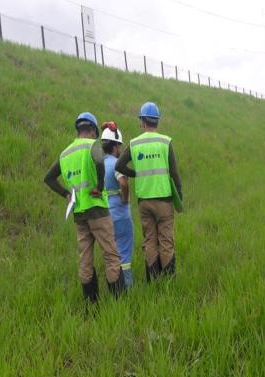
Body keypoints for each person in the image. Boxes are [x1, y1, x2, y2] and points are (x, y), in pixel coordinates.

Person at [44, 112, 125, 303]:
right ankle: (119, 302)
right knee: (111, 255)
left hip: (79, 214)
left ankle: (91, 304)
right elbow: (99, 163)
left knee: (85, 259)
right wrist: (99, 187)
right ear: (93, 131)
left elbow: (48, 178)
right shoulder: (93, 145)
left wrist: (66, 194)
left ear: (78, 129)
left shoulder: (65, 153)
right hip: (98, 211)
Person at [116, 102, 182, 282]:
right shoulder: (165, 141)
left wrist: (135, 174)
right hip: (164, 201)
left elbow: (119, 165)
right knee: (166, 241)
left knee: (150, 240)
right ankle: (168, 282)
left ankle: (153, 280)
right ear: (157, 122)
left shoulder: (135, 143)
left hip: (144, 202)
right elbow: (175, 174)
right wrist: (180, 198)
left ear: (143, 121)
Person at [100, 121, 134, 288]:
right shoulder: (116, 163)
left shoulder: (98, 164)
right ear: (114, 146)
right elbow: (123, 183)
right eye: (119, 145)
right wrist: (125, 199)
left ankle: (112, 286)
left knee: (110, 253)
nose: (120, 149)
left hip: (104, 215)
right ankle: (126, 287)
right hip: (120, 214)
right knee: (124, 252)